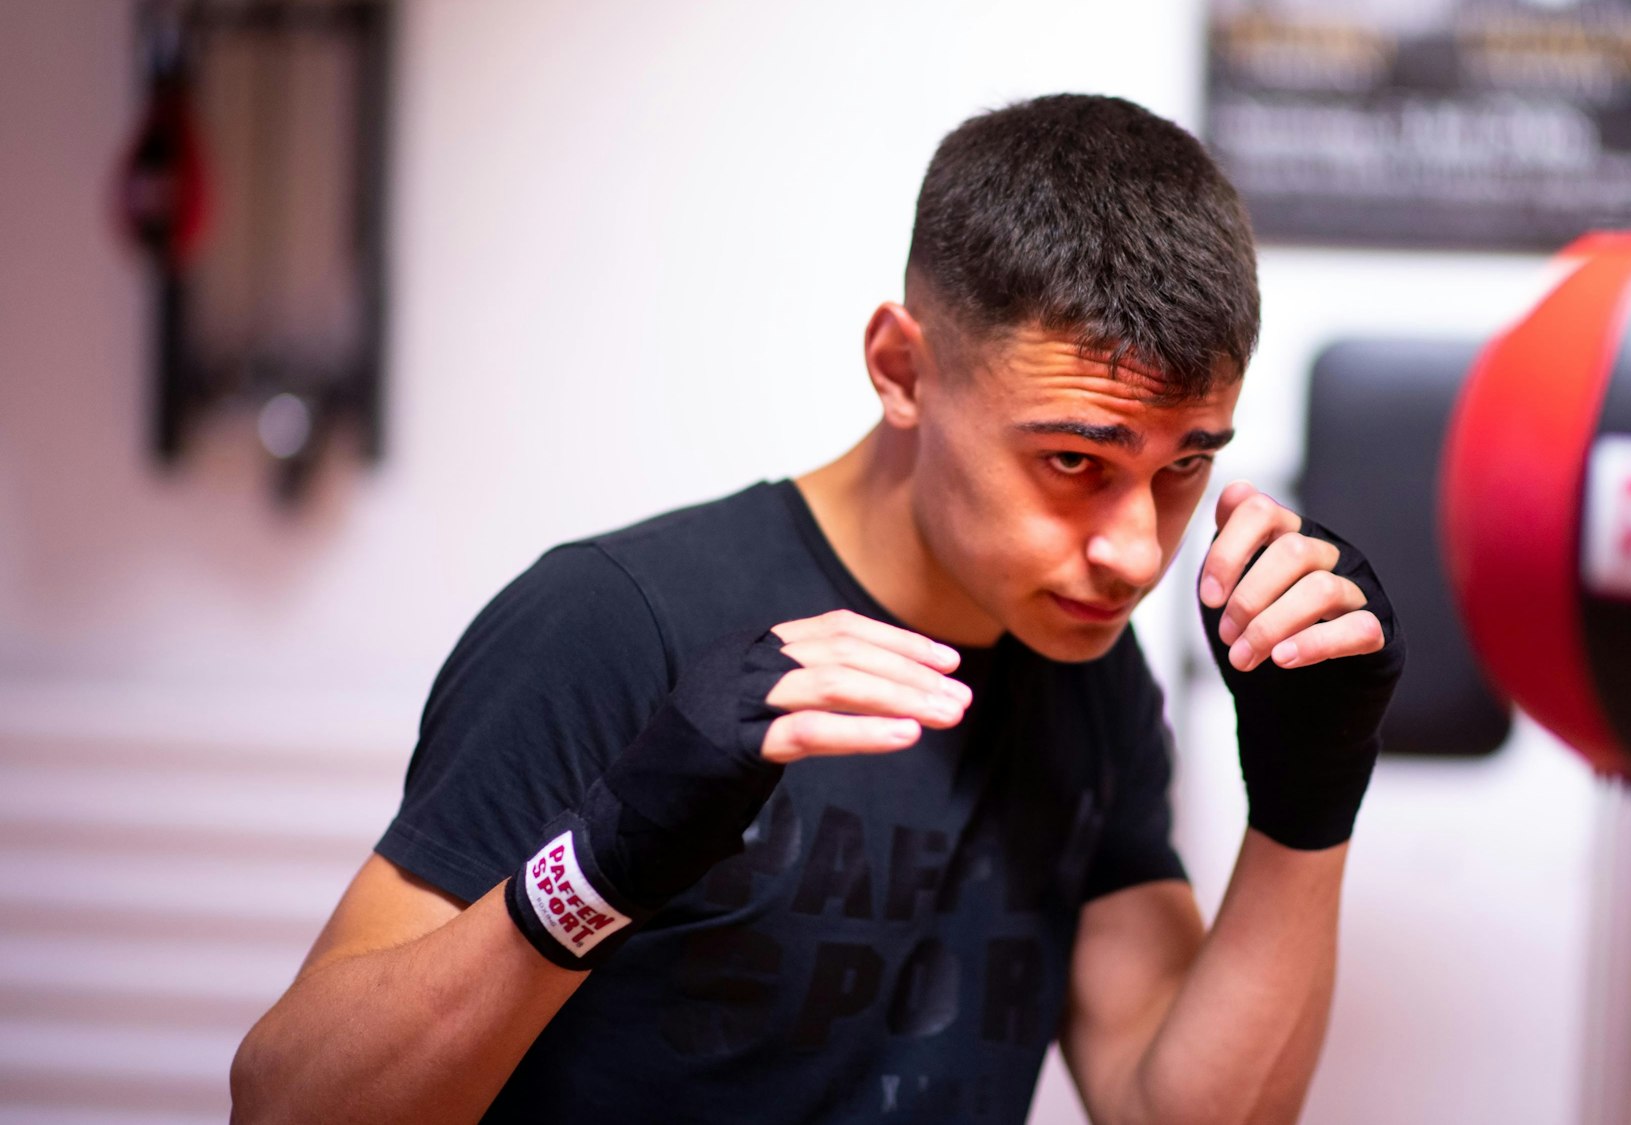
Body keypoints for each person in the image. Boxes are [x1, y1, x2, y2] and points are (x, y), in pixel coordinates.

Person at [230, 93, 1404, 1124]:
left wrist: (1309, 798)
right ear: (901, 369)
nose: (1133, 550)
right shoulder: (612, 622)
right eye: (1072, 461)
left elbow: (1177, 1114)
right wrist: (595, 874)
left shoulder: (1085, 675)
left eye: (1181, 466)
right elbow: (287, 1109)